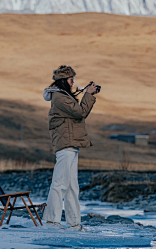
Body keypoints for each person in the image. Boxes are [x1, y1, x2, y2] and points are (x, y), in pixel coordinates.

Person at [42, 65, 98, 231]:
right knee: (59, 183)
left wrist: (86, 94)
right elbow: (80, 112)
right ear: (63, 81)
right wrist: (88, 94)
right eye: (71, 79)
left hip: (72, 144)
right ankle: (52, 221)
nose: (73, 82)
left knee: (72, 186)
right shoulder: (59, 97)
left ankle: (74, 224)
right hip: (65, 144)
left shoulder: (64, 95)